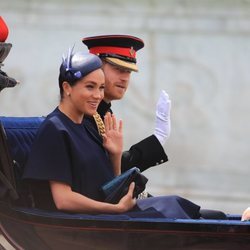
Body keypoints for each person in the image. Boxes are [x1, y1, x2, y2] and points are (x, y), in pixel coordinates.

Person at [22, 48, 201, 219]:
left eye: (101, 88)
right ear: (67, 87)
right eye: (90, 87)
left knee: (182, 208)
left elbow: (110, 184)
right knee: (177, 213)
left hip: (105, 217)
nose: (98, 95)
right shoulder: (55, 128)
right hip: (86, 224)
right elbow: (63, 200)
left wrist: (115, 155)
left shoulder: (87, 127)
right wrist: (115, 209)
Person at [82, 35, 171, 173]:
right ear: (95, 68)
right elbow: (101, 173)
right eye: (118, 69)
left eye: (128, 71)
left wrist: (157, 139)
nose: (124, 78)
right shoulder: (83, 113)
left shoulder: (103, 112)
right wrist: (157, 139)